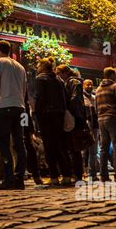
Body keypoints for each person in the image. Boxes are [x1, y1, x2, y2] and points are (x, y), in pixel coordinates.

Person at [0, 40, 27, 189]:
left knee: (4, 144)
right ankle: (19, 179)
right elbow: (24, 90)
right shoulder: (21, 67)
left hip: (4, 106)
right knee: (19, 144)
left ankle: (8, 179)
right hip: (19, 108)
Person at [34, 58, 72, 186]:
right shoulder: (58, 80)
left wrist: (37, 115)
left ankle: (54, 176)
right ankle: (67, 175)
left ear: (42, 67)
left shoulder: (40, 79)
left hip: (46, 116)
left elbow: (40, 98)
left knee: (49, 147)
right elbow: (65, 98)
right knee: (61, 146)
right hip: (59, 115)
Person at [95, 67, 116, 182]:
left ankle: (103, 175)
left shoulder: (98, 89)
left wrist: (99, 117)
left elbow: (96, 107)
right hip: (113, 118)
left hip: (101, 119)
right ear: (112, 75)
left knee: (103, 148)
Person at [56, 65, 88, 182]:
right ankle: (75, 173)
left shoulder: (73, 82)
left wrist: (67, 109)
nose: (57, 75)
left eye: (58, 72)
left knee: (75, 147)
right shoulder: (69, 82)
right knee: (72, 147)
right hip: (74, 117)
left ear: (65, 73)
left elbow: (75, 99)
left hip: (75, 118)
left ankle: (78, 174)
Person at [83, 79, 99, 180]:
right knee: (84, 151)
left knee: (93, 150)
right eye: (87, 84)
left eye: (91, 84)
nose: (89, 86)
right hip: (85, 126)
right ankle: (84, 172)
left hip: (95, 126)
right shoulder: (81, 97)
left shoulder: (94, 97)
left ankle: (93, 174)